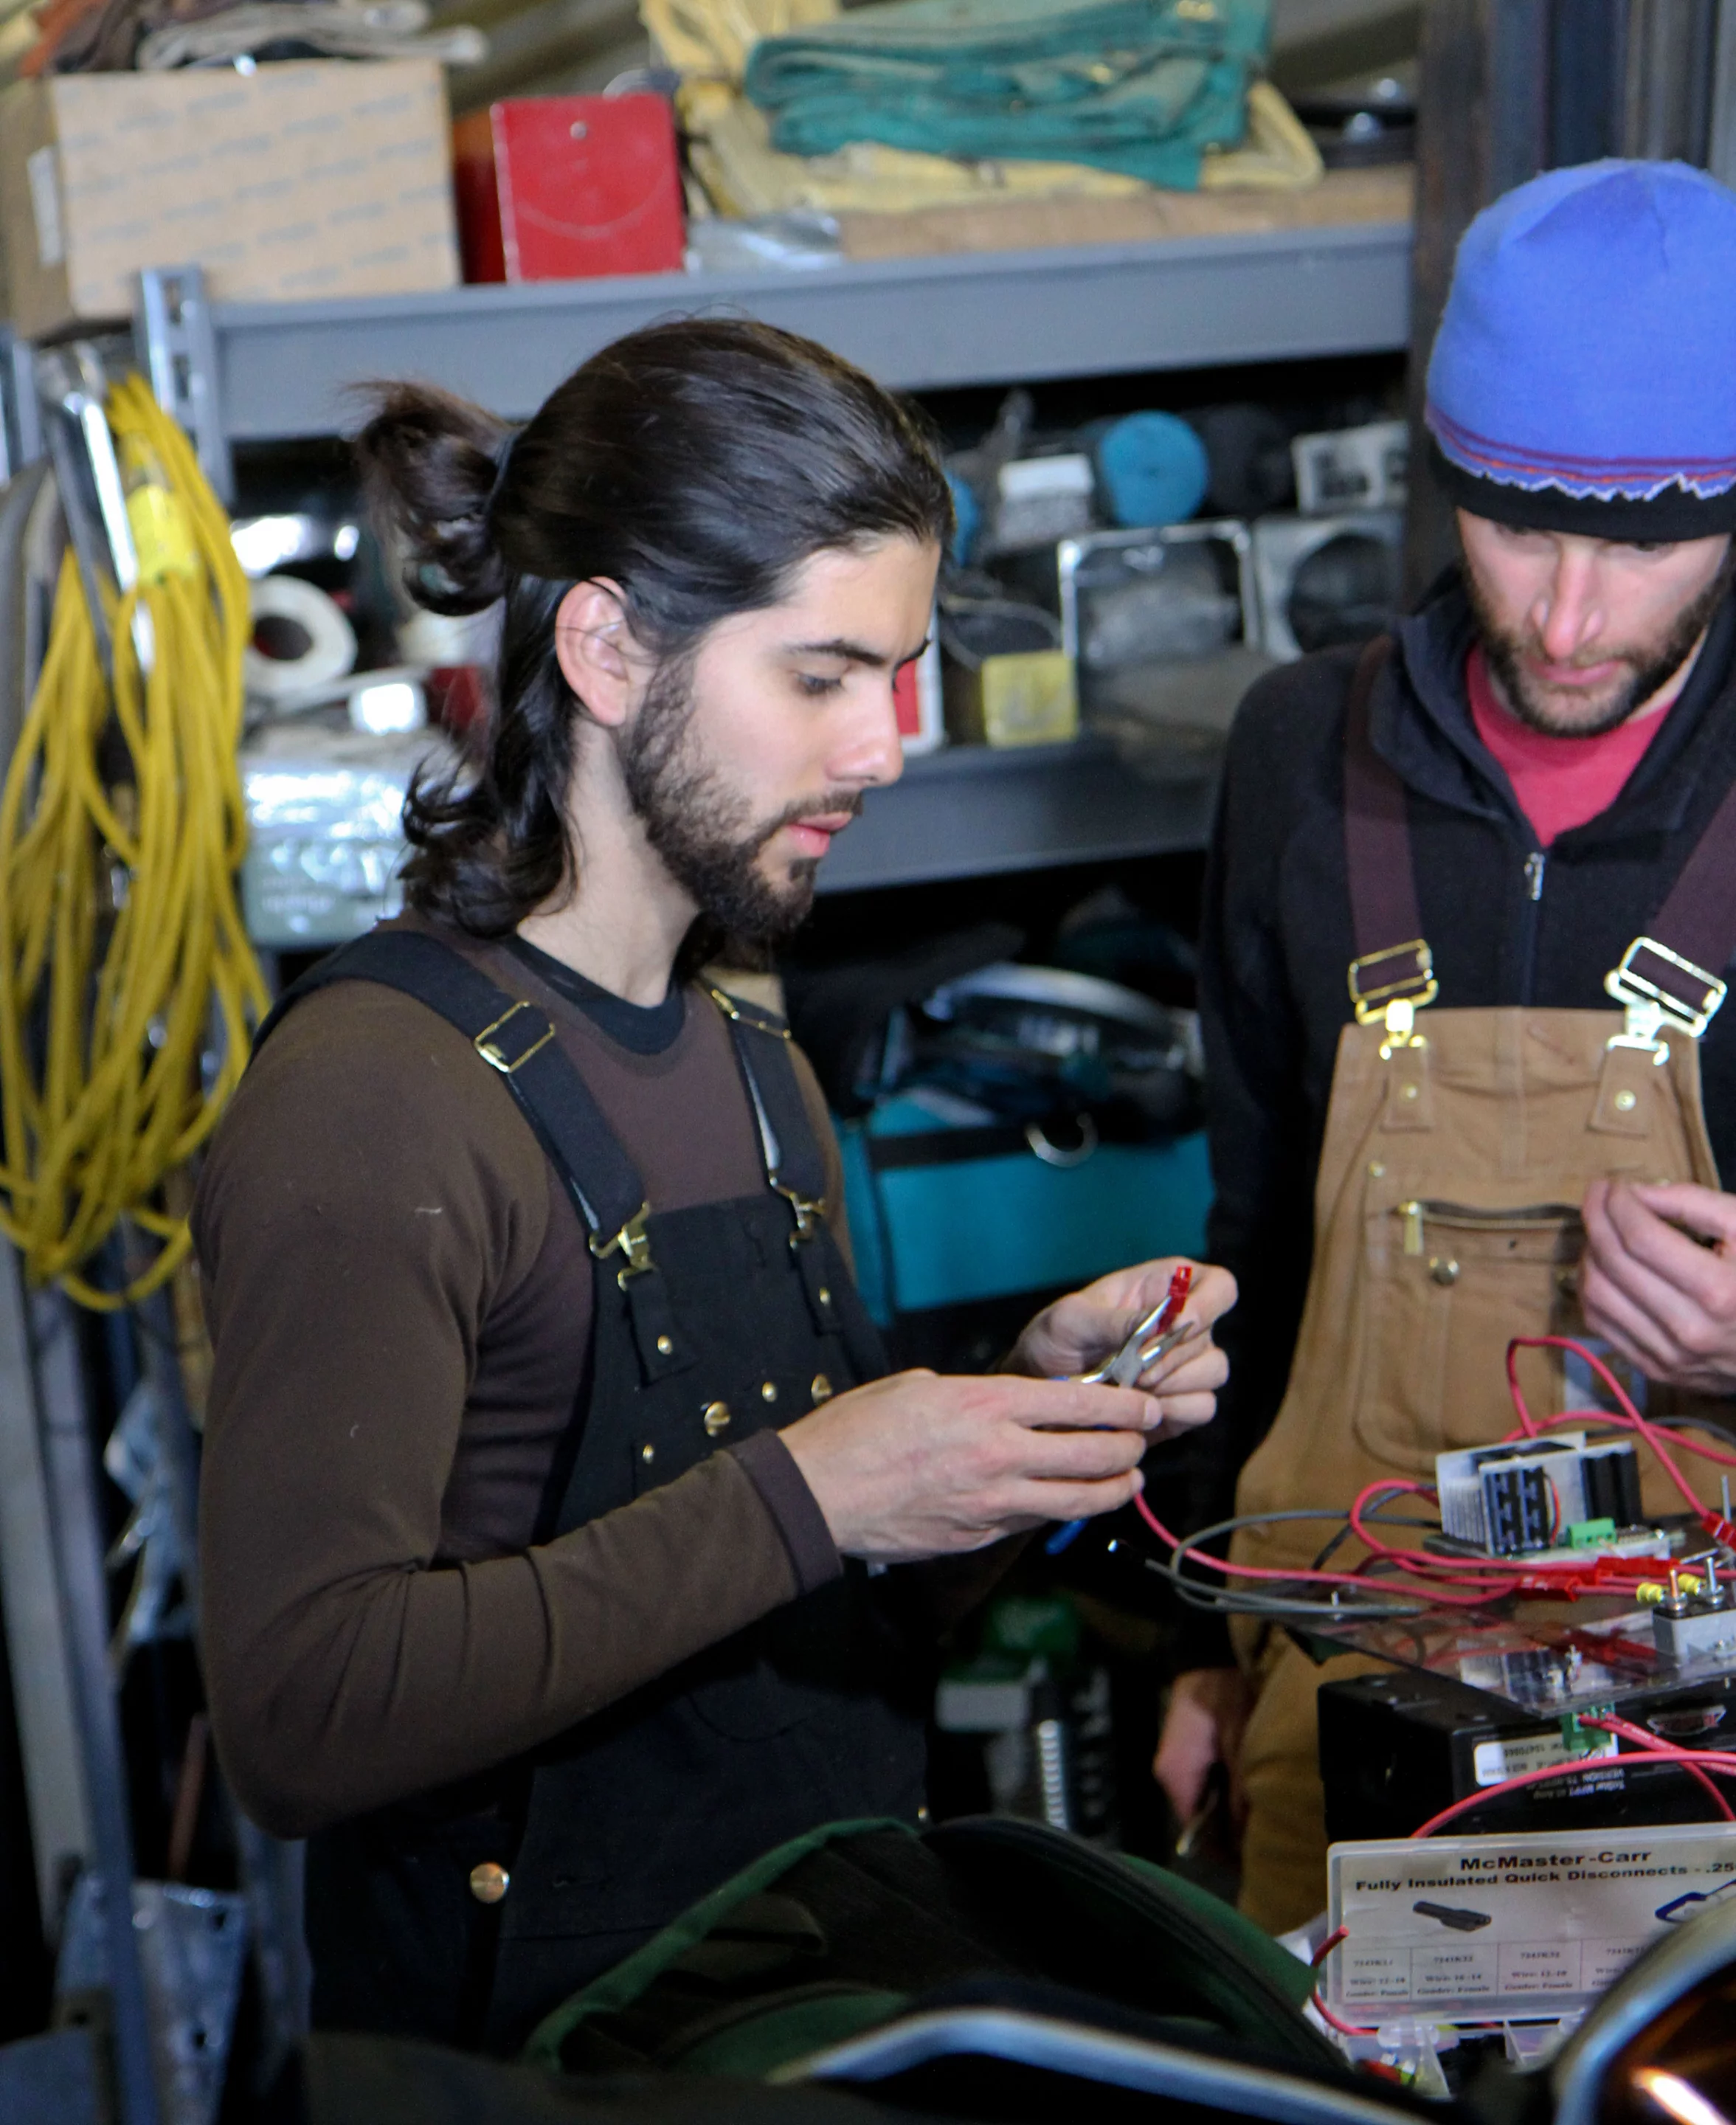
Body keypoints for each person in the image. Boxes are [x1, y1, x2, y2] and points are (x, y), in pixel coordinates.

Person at [195, 319, 1234, 2052]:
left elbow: (798, 1625)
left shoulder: (759, 1077)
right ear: (607, 646)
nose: (883, 747)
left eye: (895, 677)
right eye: (821, 677)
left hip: (811, 2021)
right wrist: (817, 1488)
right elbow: (300, 1718)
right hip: (533, 2074)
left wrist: (992, 1446)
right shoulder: (378, 1102)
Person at [1152, 159, 1736, 1933]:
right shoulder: (1296, 761)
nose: (1568, 618)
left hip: (1707, 1735)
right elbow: (1253, 1238)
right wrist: (1211, 1645)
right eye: (1516, 526)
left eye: (1644, 550)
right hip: (1351, 1669)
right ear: (1443, 470)